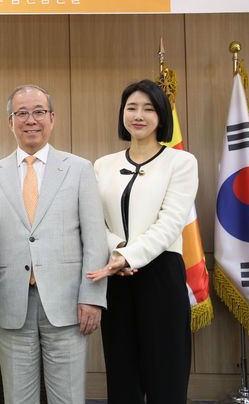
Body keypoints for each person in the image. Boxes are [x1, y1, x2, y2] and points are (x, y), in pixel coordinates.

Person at [0, 85, 109, 404]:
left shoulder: (79, 169)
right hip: (11, 303)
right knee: (18, 398)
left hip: (68, 304)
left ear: (52, 118)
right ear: (10, 122)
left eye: (38, 112)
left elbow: (94, 239)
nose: (30, 120)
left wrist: (92, 297)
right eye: (21, 113)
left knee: (68, 398)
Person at [87, 80, 197, 403]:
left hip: (162, 274)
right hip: (116, 277)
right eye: (131, 108)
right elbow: (94, 221)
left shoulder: (181, 162)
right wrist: (118, 252)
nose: (138, 115)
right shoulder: (103, 165)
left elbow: (170, 223)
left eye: (148, 109)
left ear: (161, 116)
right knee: (122, 377)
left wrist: (130, 256)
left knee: (166, 377)